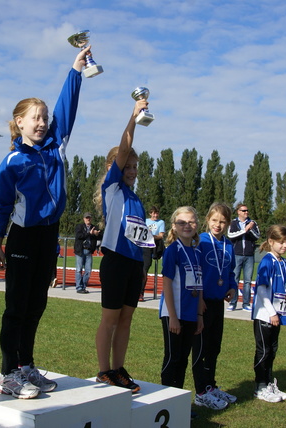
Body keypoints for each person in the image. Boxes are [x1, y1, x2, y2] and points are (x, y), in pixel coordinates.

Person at [0, 46, 90, 400]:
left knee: (36, 306)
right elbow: (0, 206)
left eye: (45, 116)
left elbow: (67, 108)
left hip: (48, 237)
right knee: (16, 306)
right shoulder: (12, 161)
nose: (42, 121)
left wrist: (75, 70)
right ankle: (8, 373)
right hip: (21, 237)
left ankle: (26, 365)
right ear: (19, 122)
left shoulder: (55, 147)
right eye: (35, 117)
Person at [94, 98, 152, 394]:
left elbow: (142, 239)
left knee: (126, 318)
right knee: (110, 318)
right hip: (115, 260)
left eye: (135, 167)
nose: (131, 170)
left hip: (133, 264)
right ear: (115, 167)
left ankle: (118, 368)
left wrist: (143, 268)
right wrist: (134, 117)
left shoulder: (136, 199)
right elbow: (125, 145)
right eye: (127, 165)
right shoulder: (112, 187)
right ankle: (104, 370)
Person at [194, 202, 238, 410]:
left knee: (214, 347)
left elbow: (230, 271)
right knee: (201, 348)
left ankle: (210, 386)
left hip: (218, 302)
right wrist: (198, 298)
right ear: (207, 220)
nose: (218, 225)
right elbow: (195, 271)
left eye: (222, 221)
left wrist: (233, 286)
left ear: (228, 223)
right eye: (214, 220)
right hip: (202, 303)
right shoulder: (200, 241)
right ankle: (201, 391)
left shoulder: (228, 244)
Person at [159, 206, 204, 390]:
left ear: (197, 225)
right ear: (174, 226)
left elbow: (199, 287)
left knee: (184, 358)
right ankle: (166, 399)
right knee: (173, 357)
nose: (187, 225)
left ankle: (178, 401)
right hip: (174, 313)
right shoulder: (172, 251)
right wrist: (173, 317)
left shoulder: (197, 252)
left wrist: (200, 316)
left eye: (191, 221)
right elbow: (167, 284)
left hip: (191, 313)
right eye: (182, 222)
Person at [252, 225, 286, 403]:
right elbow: (261, 290)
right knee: (263, 351)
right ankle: (260, 386)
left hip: (278, 315)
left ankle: (269, 384)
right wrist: (271, 313)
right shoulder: (266, 262)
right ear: (271, 242)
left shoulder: (285, 264)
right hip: (264, 315)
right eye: (281, 242)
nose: (285, 245)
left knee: (273, 350)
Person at [227, 203, 260, 311]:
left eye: (247, 210)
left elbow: (257, 236)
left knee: (247, 281)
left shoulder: (252, 223)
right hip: (237, 254)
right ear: (238, 212)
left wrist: (250, 229)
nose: (246, 212)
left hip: (249, 256)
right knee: (235, 279)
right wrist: (244, 231)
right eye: (244, 210)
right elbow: (230, 235)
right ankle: (233, 303)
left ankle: (246, 304)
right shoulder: (233, 223)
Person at [141, 206, 166, 301]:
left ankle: (140, 292)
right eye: (154, 213)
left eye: (157, 213)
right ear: (150, 213)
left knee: (146, 267)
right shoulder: (145, 221)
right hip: (143, 245)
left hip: (153, 245)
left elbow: (161, 236)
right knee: (141, 268)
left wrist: (152, 235)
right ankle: (138, 292)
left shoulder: (161, 222)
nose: (155, 215)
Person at [74, 213, 101, 294]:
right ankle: (79, 287)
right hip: (80, 251)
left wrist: (97, 234)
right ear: (84, 219)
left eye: (89, 218)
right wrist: (89, 233)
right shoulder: (80, 226)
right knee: (79, 270)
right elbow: (79, 236)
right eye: (86, 218)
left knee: (88, 271)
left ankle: (83, 286)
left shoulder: (94, 227)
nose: (88, 219)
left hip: (89, 251)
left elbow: (100, 236)